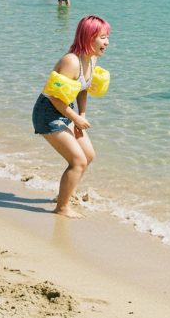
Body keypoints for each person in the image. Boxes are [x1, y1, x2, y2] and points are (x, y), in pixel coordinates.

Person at [33, 15, 110, 218]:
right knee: (78, 161)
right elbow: (54, 98)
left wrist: (81, 114)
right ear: (89, 37)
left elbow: (82, 89)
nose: (107, 42)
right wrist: (75, 118)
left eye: (107, 37)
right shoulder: (71, 61)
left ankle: (64, 195)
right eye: (102, 37)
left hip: (67, 110)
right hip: (48, 112)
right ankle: (62, 207)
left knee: (88, 155)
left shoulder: (90, 59)